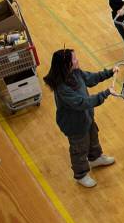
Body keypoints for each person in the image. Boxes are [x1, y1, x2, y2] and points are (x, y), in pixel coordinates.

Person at [43, 49, 117, 188]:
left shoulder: (76, 72)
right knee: (79, 148)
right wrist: (105, 93)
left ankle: (95, 158)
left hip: (86, 118)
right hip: (74, 125)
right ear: (66, 65)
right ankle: (81, 174)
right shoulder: (62, 88)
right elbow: (82, 103)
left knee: (93, 136)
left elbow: (90, 78)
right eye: (74, 59)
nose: (77, 61)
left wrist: (109, 72)